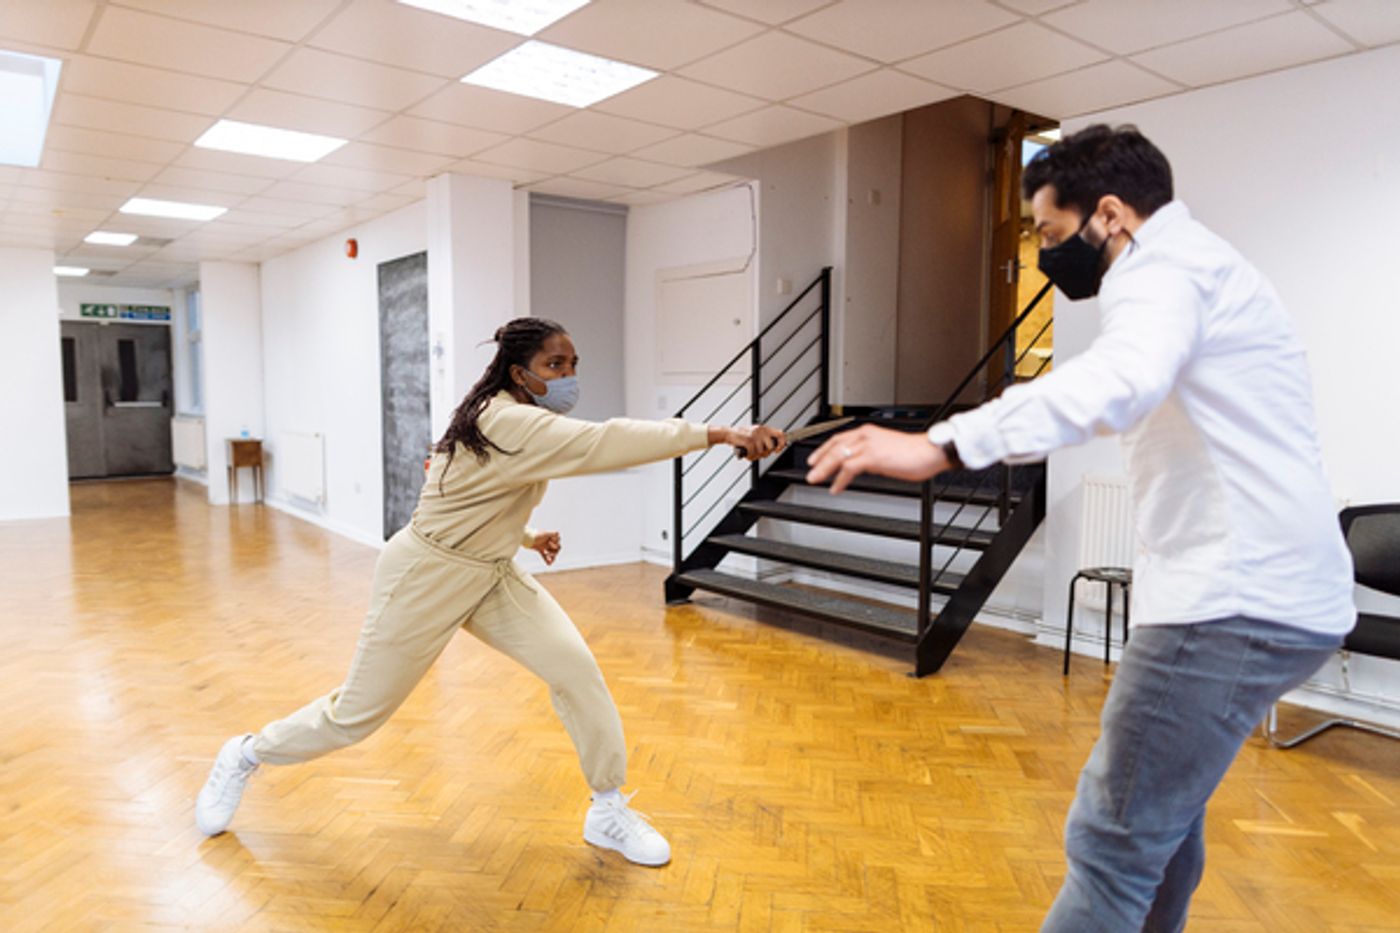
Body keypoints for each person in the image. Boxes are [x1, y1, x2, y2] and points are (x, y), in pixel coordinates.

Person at [806, 125, 1354, 931]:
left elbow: (1117, 381)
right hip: (1278, 596)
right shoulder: (1207, 266)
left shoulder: (1160, 269)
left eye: (1053, 235)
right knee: (1162, 825)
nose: (1047, 254)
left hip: (1229, 605)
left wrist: (941, 442)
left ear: (1109, 216)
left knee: (1112, 840)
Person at [195, 316, 785, 867]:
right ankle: (244, 754)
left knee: (575, 671)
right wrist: (720, 433)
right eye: (555, 365)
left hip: (491, 571)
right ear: (518, 372)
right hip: (425, 575)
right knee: (357, 714)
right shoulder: (505, 419)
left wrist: (524, 535)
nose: (569, 376)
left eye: (574, 363)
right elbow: (604, 441)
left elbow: (471, 493)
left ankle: (608, 809)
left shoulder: (509, 419)